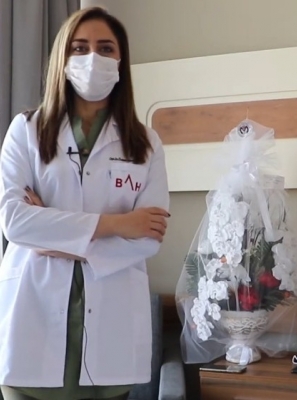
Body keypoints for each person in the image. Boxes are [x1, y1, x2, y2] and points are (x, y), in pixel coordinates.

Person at [0, 7, 170, 400]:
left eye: (105, 48)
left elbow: (149, 237)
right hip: (31, 319)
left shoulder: (146, 144)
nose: (93, 58)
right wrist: (118, 224)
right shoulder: (26, 131)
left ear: (121, 61)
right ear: (63, 59)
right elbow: (16, 222)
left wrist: (53, 237)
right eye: (80, 48)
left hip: (111, 325)